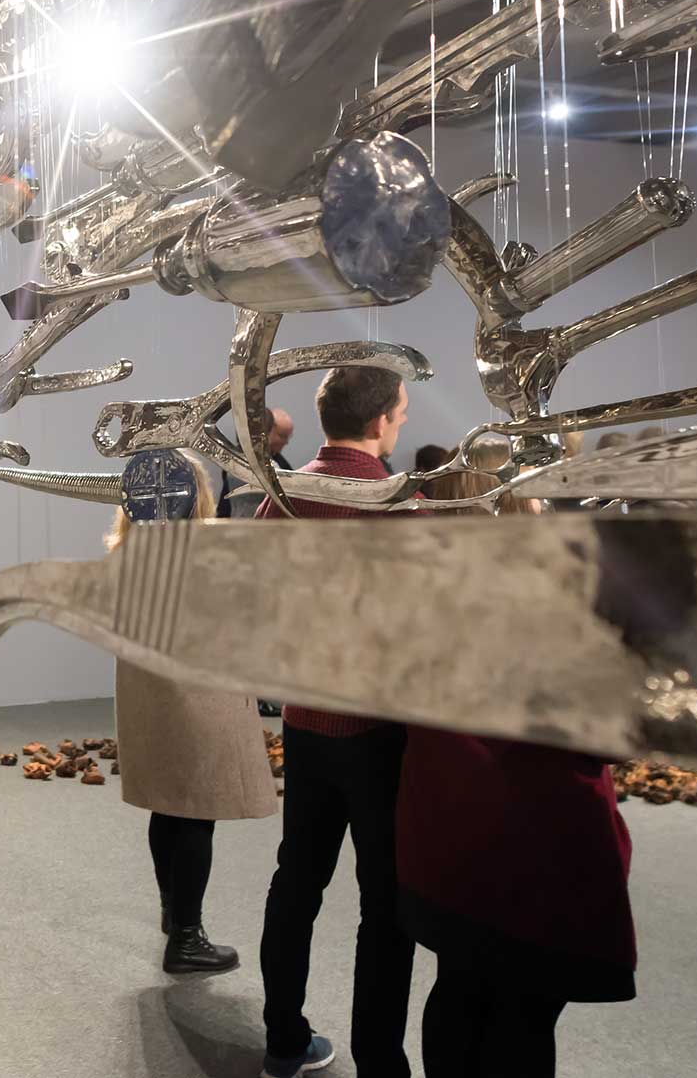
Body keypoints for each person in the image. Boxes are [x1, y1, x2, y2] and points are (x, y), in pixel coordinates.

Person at [398, 465, 635, 1076]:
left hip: (446, 829)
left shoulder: (421, 595)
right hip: (536, 842)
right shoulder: (557, 600)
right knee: (524, 1013)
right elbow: (608, 730)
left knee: (459, 988)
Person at [255, 367, 415, 1078]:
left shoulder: (284, 496)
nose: (401, 424)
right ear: (379, 421)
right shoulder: (396, 503)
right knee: (386, 905)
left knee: (297, 880)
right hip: (379, 731)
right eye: (400, 414)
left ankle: (283, 1040)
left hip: (305, 720)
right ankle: (380, 1064)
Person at [108, 507, 278, 975]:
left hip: (156, 695)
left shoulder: (133, 551)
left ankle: (175, 913)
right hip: (195, 694)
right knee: (196, 810)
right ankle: (187, 938)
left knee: (169, 805)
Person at [216, 408, 294, 517]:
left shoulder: (233, 463)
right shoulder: (274, 469)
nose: (286, 442)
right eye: (282, 436)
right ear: (268, 433)